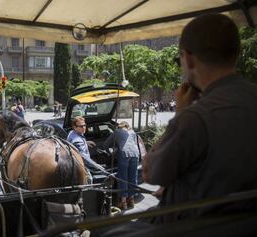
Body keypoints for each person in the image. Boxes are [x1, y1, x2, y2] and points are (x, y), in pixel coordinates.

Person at [142, 13, 257, 223]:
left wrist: (180, 113)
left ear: (190, 59)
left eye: (180, 60)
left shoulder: (195, 118)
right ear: (237, 52)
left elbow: (151, 173)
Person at [104, 121, 140, 210]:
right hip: (135, 154)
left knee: (123, 178)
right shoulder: (132, 132)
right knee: (132, 177)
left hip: (124, 155)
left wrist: (111, 153)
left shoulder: (116, 132)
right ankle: (131, 200)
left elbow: (105, 145)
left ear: (119, 126)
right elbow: (133, 144)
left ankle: (123, 202)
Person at [67, 116, 105, 183]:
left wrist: (86, 142)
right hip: (82, 167)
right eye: (81, 126)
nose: (84, 128)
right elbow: (85, 159)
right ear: (75, 127)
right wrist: (97, 166)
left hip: (73, 164)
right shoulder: (78, 141)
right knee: (88, 182)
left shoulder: (72, 133)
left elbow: (75, 144)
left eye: (84, 125)